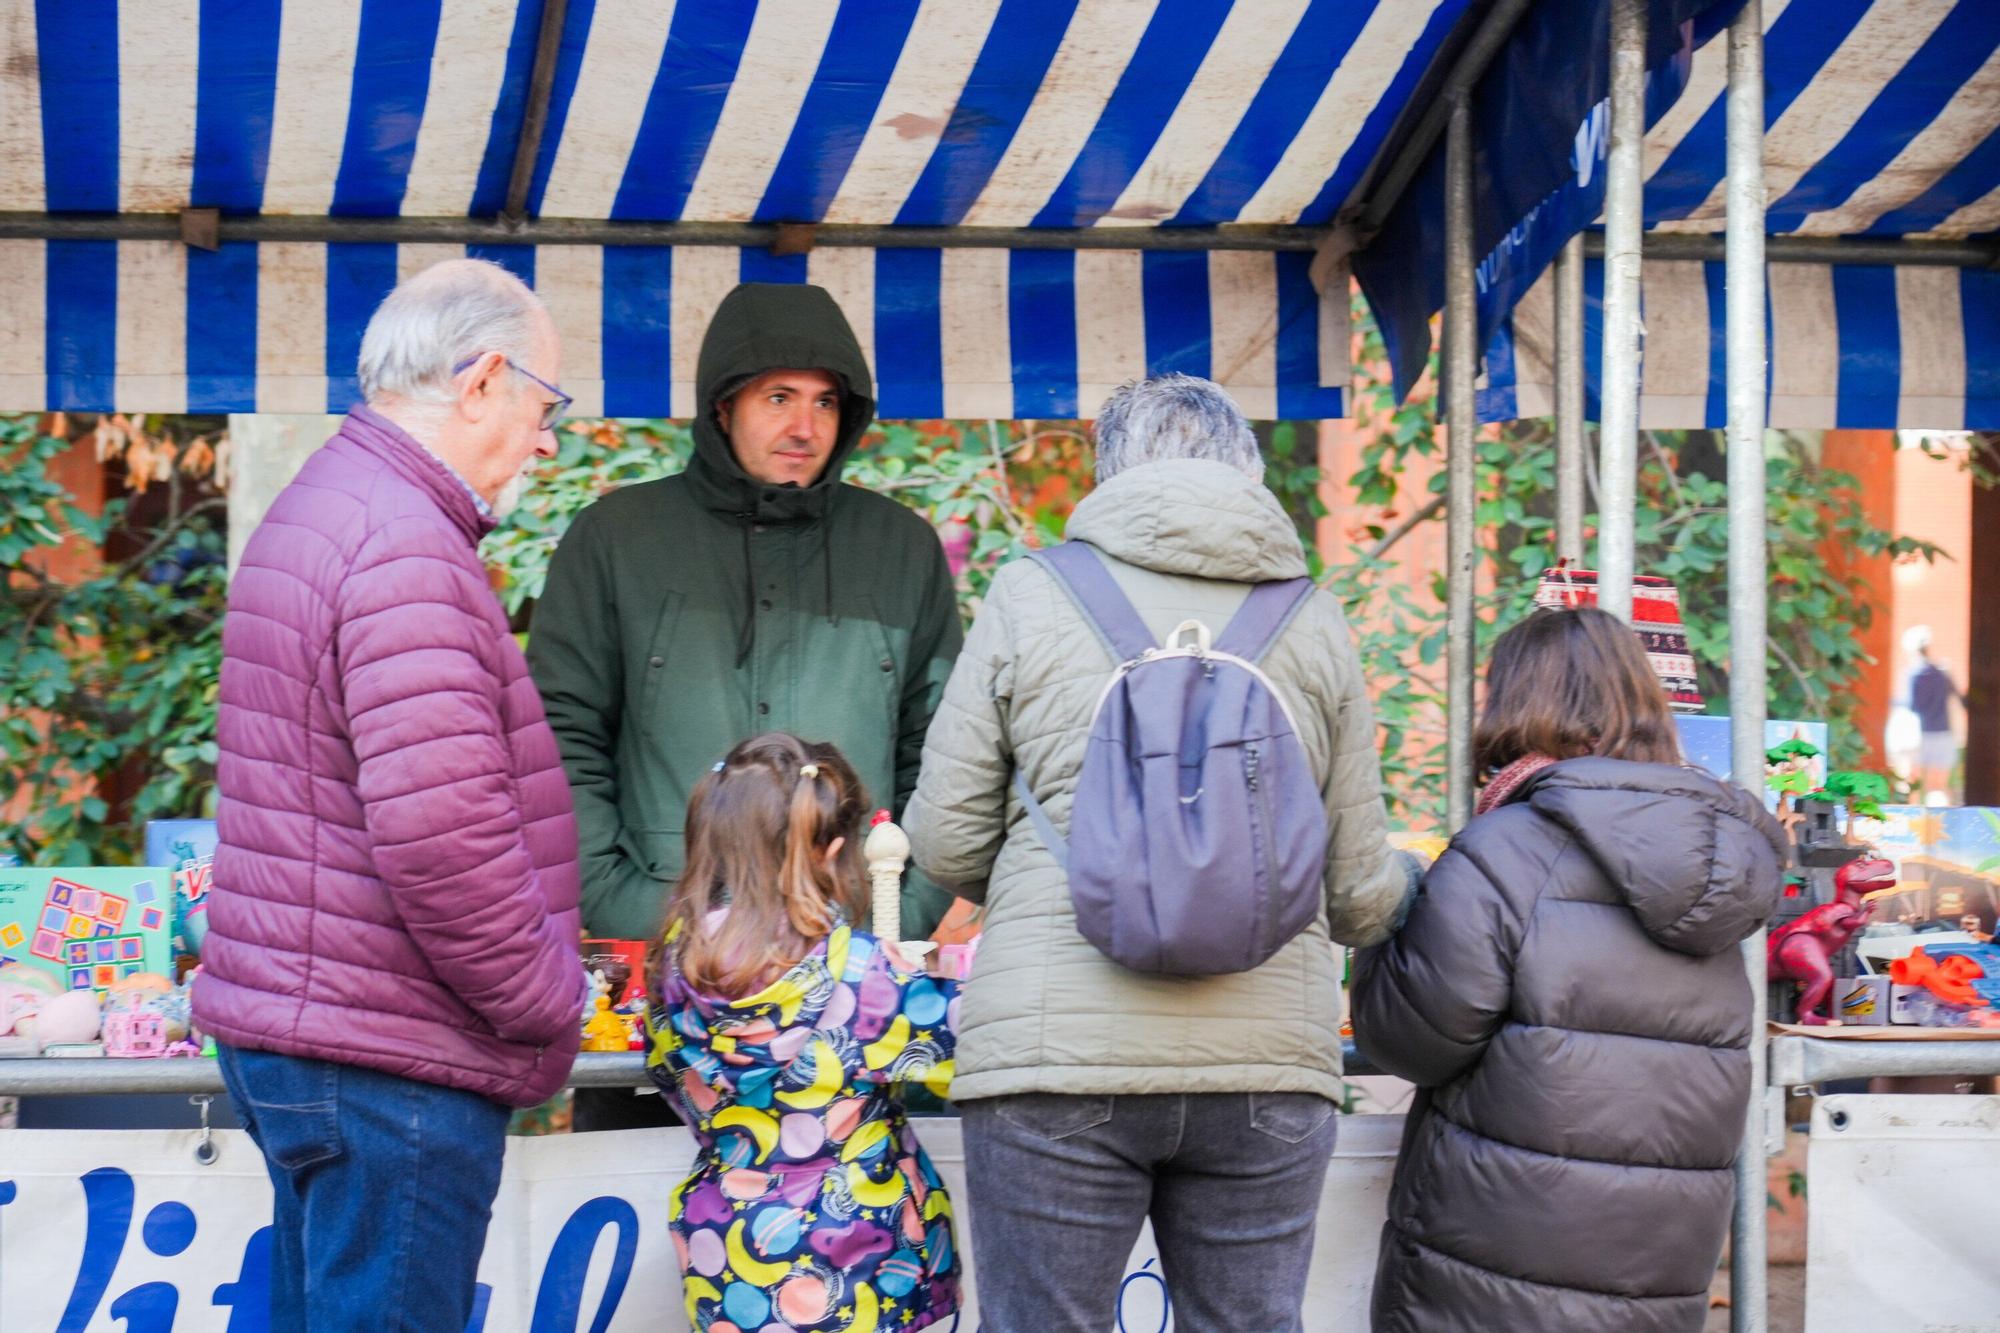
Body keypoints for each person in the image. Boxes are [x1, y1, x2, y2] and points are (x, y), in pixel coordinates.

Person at [904, 373, 1417, 1332]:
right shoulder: (1312, 617)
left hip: (1054, 1062)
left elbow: (943, 838)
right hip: (1266, 1065)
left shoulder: (1030, 593)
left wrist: (1073, 866)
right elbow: (1357, 895)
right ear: (1247, 473)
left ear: (1110, 472)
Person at [194, 259, 587, 1331]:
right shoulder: (405, 544)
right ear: (482, 380)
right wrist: (552, 1001)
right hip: (389, 1055)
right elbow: (441, 840)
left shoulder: (330, 504)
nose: (546, 439)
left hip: (319, 1029)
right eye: (546, 404)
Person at [531, 282, 963, 1130]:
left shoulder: (900, 548)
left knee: (852, 1245)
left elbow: (947, 756)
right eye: (778, 398)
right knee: (643, 1249)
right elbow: (554, 744)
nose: (805, 425)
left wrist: (888, 914)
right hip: (657, 986)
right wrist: (638, 914)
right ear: (722, 407)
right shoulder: (615, 539)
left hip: (853, 995)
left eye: (826, 402)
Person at [1350, 606, 1785, 1333]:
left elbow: (1410, 1040)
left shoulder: (1504, 848)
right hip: (1659, 1256)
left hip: (1498, 1251)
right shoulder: (1720, 855)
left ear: (1515, 704)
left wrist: (1384, 917)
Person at [646, 733, 961, 1332]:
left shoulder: (668, 975)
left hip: (727, 1261)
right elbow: (967, 1046)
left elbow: (668, 1076)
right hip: (872, 1268)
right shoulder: (865, 974)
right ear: (830, 851)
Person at [1904, 625, 1964, 804]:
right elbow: (1962, 700)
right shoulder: (1943, 673)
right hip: (1943, 734)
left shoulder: (1914, 675)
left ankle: (1911, 823)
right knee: (1940, 785)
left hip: (1921, 735)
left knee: (1914, 785)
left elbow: (1913, 706)